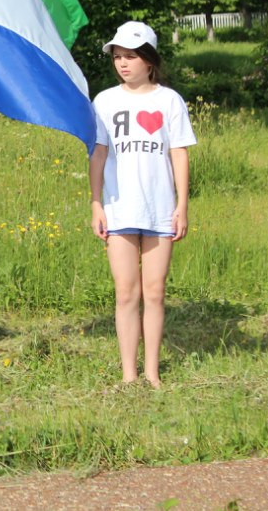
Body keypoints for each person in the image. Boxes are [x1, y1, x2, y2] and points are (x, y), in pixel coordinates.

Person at [89, 21, 196, 389]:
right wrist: (96, 203)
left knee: (154, 291)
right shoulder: (104, 101)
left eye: (130, 56)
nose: (122, 63)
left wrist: (182, 205)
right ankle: (128, 375)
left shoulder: (169, 101)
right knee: (126, 292)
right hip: (119, 209)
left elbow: (178, 153)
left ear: (149, 60)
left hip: (159, 209)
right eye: (118, 57)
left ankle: (151, 372)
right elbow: (98, 154)